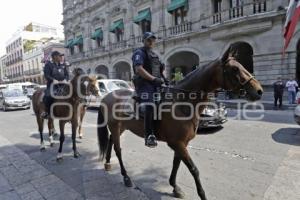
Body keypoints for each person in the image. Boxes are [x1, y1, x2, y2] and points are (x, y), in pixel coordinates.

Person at [132, 32, 166, 148]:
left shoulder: (155, 55)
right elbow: (139, 69)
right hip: (144, 84)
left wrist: (165, 80)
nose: (151, 42)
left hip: (156, 83)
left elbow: (160, 71)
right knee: (149, 105)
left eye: (152, 40)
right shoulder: (139, 53)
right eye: (148, 40)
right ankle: (149, 136)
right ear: (144, 41)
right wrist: (153, 79)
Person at [41, 51, 69, 119]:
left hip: (63, 84)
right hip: (52, 85)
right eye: (60, 56)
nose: (61, 57)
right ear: (55, 57)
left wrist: (66, 79)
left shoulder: (63, 65)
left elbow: (67, 75)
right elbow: (46, 75)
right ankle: (47, 112)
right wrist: (53, 80)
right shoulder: (48, 65)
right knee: (48, 96)